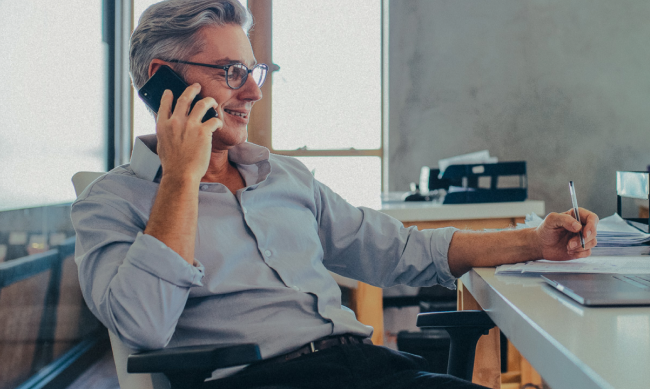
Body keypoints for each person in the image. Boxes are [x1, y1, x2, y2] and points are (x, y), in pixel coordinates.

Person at [71, 1, 598, 388]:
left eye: (253, 72)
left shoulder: (286, 178)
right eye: (232, 73)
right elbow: (142, 325)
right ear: (163, 82)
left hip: (369, 369)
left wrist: (536, 241)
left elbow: (404, 251)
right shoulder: (111, 202)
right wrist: (182, 177)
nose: (253, 92)